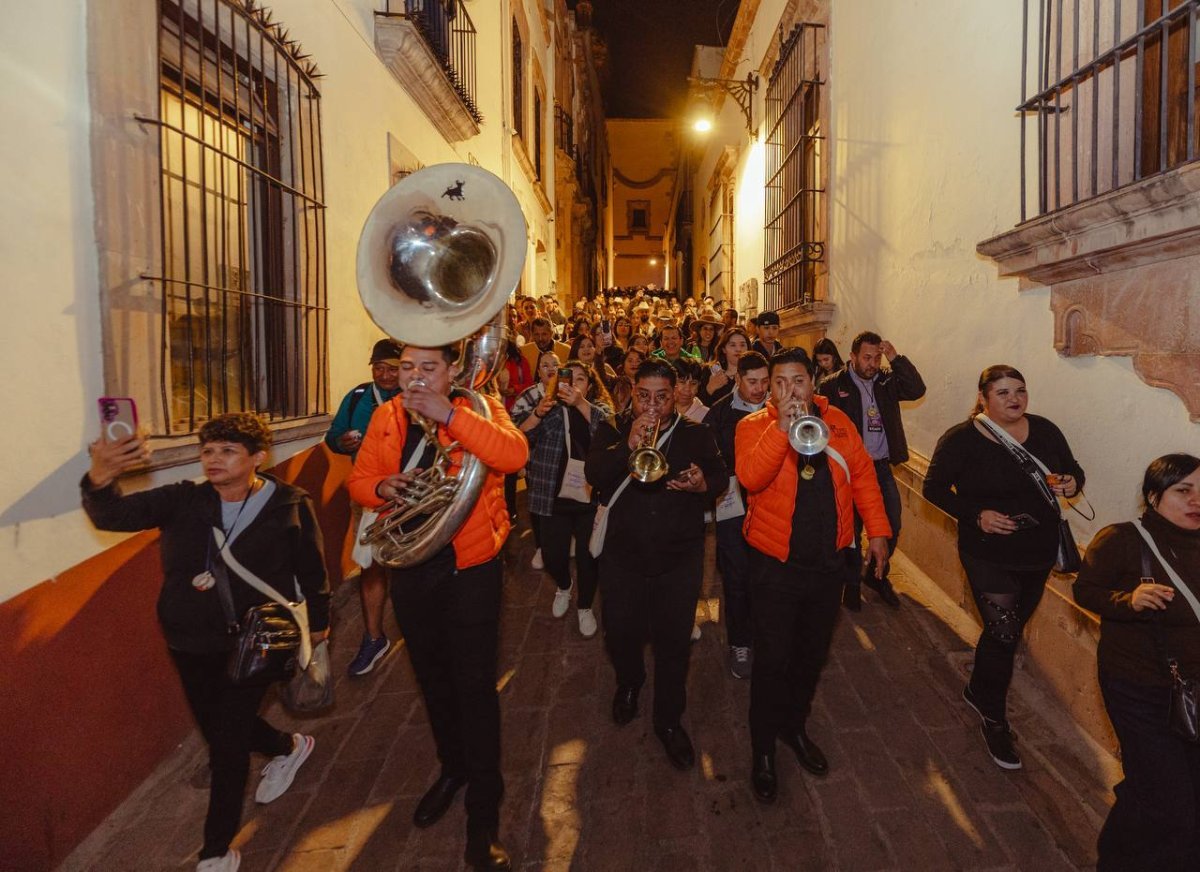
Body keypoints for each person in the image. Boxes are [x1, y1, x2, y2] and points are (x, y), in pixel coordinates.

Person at [83, 413, 330, 872]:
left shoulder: (288, 504)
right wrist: (101, 475)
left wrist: (318, 620)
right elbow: (113, 514)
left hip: (256, 642)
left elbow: (310, 566)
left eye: (228, 451)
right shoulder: (183, 501)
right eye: (209, 451)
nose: (214, 459)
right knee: (220, 727)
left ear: (258, 457)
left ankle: (216, 852)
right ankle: (288, 747)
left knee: (226, 746)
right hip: (190, 641)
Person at [347, 343, 528, 871]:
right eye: (407, 368)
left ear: (453, 371)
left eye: (429, 368)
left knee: (475, 687)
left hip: (472, 567)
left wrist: (449, 415)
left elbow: (514, 456)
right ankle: (453, 768)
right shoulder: (385, 415)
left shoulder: (480, 407)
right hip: (412, 566)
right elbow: (360, 482)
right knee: (431, 678)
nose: (415, 377)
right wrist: (384, 485)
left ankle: (483, 813)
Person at [735, 349, 891, 803]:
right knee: (772, 661)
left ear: (813, 382)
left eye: (798, 381)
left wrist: (878, 532)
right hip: (774, 567)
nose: (789, 391)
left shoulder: (838, 421)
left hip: (828, 566)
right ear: (769, 388)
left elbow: (862, 476)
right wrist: (782, 429)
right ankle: (762, 749)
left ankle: (793, 727)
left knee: (810, 657)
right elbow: (751, 477)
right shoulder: (753, 427)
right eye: (779, 383)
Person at [923, 364, 1085, 771]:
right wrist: (976, 515)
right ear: (983, 397)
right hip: (987, 553)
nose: (1014, 399)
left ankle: (979, 689)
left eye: (1020, 391)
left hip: (1037, 552)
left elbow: (1073, 471)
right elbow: (933, 489)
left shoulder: (1045, 431)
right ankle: (994, 719)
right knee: (1004, 632)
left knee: (1006, 633)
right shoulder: (962, 440)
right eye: (1003, 393)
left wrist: (1070, 483)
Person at [585, 360, 727, 771]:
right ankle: (629, 683)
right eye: (644, 396)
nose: (652, 405)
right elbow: (595, 473)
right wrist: (626, 447)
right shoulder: (613, 428)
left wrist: (703, 484)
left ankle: (668, 720)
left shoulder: (695, 433)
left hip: (678, 558)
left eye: (661, 397)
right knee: (621, 634)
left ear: (675, 395)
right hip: (623, 558)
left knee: (674, 644)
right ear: (633, 391)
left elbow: (719, 476)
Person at [1073, 454, 1200, 869]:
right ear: (1153, 495)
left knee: (1161, 786)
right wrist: (1128, 600)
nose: (1196, 500)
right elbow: (1085, 592)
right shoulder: (1122, 539)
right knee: (1174, 803)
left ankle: (1116, 854)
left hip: (1193, 691)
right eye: (1183, 490)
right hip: (1137, 688)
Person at [819, 331, 926, 610]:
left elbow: (916, 389)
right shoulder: (833, 385)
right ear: (852, 357)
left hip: (880, 468)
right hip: (848, 470)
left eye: (876, 357)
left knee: (891, 524)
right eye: (866, 357)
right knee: (851, 530)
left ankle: (877, 575)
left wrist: (896, 358)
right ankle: (852, 582)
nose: (872, 363)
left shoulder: (887, 380)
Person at [512, 359, 614, 637]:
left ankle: (584, 606)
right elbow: (517, 438)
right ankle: (564, 586)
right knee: (553, 556)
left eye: (581, 379)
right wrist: (538, 412)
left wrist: (581, 404)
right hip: (552, 497)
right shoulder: (549, 409)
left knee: (587, 556)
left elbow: (610, 431)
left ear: (589, 386)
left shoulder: (597, 409)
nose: (574, 384)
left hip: (589, 498)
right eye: (569, 378)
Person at [325, 339, 403, 676]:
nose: (385, 375)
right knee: (371, 566)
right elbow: (334, 435)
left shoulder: (415, 397)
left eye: (392, 368)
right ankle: (373, 637)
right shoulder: (357, 397)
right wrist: (341, 442)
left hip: (409, 495)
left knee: (412, 565)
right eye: (379, 368)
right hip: (368, 497)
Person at [705, 351, 770, 679]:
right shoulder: (719, 414)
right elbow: (707, 460)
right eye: (752, 382)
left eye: (764, 381)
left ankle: (767, 634)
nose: (759, 388)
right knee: (737, 576)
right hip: (733, 508)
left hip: (773, 507)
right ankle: (740, 642)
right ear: (738, 380)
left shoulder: (779, 410)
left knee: (769, 575)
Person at [511, 350, 561, 571]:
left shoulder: (570, 394)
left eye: (555, 365)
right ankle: (541, 546)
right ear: (538, 372)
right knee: (538, 507)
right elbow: (514, 431)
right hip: (536, 462)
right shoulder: (527, 396)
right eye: (545, 365)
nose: (550, 369)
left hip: (561, 463)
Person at [699, 327, 750, 407]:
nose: (738, 349)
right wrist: (710, 388)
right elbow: (699, 405)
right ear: (724, 349)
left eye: (742, 345)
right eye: (732, 345)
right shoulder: (710, 371)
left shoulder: (754, 373)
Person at [608, 347, 643, 417]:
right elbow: (600, 374)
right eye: (630, 361)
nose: (634, 364)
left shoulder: (648, 385)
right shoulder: (616, 382)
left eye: (638, 361)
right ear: (623, 365)